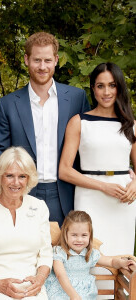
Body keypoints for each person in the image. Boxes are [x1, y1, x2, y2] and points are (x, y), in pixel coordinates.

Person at [0, 32, 90, 226]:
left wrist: (118, 171)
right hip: (23, 192)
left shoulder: (76, 98)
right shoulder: (8, 104)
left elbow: (89, 144)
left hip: (66, 192)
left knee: (68, 254)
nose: (42, 66)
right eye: (37, 60)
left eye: (47, 60)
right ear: (26, 60)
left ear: (56, 60)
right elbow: (0, 150)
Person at [59, 62, 136, 256]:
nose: (106, 91)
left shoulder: (131, 124)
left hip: (124, 200)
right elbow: (65, 170)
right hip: (90, 197)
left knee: (121, 256)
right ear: (93, 89)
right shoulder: (79, 122)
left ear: (119, 88)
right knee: (89, 255)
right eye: (100, 86)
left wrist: (135, 184)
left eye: (112, 85)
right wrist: (103, 186)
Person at [0, 147, 52, 300]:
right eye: (10, 176)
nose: (16, 182)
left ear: (29, 178)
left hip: (29, 287)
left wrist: (39, 281)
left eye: (22, 176)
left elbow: (46, 256)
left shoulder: (39, 207)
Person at [45, 211, 135, 299]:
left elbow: (111, 261)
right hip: (62, 289)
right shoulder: (59, 252)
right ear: (66, 235)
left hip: (85, 292)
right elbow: (60, 274)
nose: (79, 240)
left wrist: (122, 263)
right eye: (74, 235)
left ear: (89, 236)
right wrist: (73, 295)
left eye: (84, 235)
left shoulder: (90, 253)